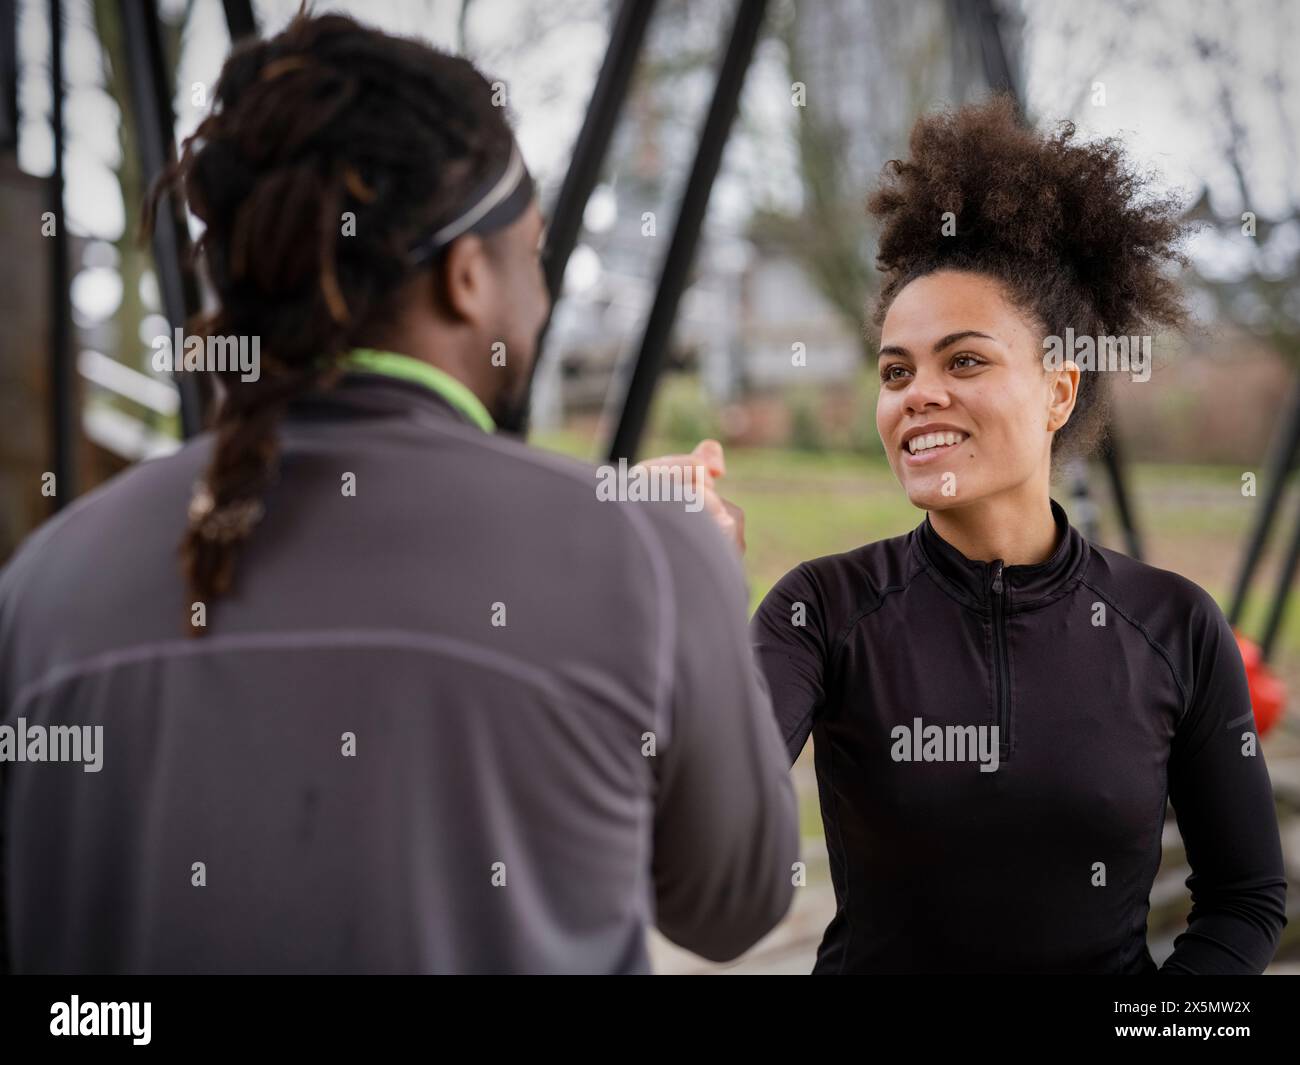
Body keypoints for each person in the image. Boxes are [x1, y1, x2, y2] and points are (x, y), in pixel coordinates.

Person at [0, 12, 797, 974]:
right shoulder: (649, 557)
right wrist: (701, 584)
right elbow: (739, 905)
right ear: (468, 279)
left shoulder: (41, 586)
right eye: (532, 256)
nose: (541, 300)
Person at [751, 98, 1288, 974]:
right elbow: (701, 806)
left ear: (1059, 391)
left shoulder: (1176, 623)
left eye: (964, 360)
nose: (917, 394)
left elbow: (1247, 898)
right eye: (897, 370)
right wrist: (682, 596)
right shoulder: (820, 609)